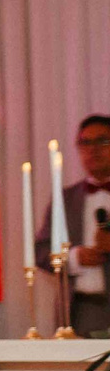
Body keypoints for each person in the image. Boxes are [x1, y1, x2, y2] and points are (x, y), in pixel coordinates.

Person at [60, 115, 110, 338]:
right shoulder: (67, 198)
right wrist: (74, 257)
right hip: (81, 310)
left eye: (103, 141)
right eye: (85, 142)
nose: (94, 149)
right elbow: (41, 251)